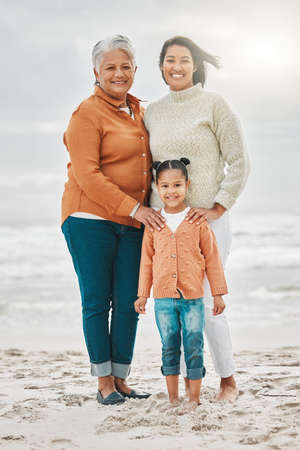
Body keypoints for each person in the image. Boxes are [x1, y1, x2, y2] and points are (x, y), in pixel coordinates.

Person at [144, 36, 250, 401]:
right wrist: (149, 212)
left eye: (184, 60)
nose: (176, 66)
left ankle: (228, 380)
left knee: (204, 305)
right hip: (166, 225)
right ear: (161, 66)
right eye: (170, 59)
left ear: (194, 65)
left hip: (207, 223)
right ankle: (191, 387)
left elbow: (239, 161)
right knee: (176, 308)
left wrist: (219, 205)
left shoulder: (214, 104)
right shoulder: (151, 112)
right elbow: (147, 169)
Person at [61, 35, 165, 405]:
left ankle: (121, 378)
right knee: (97, 301)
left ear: (135, 70)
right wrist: (135, 208)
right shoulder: (86, 114)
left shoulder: (139, 111)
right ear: (96, 72)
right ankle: (103, 381)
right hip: (89, 217)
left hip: (134, 221)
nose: (118, 74)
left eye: (125, 67)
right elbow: (88, 174)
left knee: (129, 301)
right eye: (110, 68)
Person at [134, 158, 228, 405]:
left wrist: (218, 293)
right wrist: (143, 294)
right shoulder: (154, 223)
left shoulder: (197, 220)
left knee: (194, 345)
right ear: (157, 187)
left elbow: (212, 259)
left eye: (177, 185)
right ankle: (173, 399)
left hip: (193, 298)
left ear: (187, 185)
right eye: (165, 186)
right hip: (163, 299)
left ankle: (194, 399)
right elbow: (146, 262)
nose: (171, 191)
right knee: (169, 346)